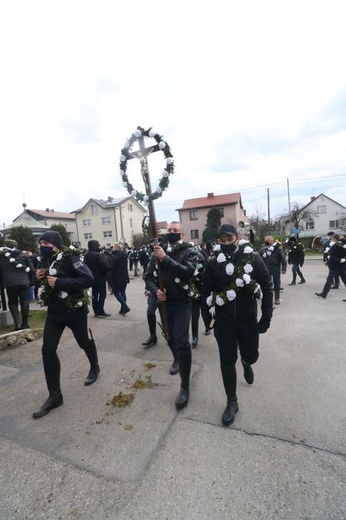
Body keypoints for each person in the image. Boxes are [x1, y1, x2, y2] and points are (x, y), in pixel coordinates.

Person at [203, 224, 273, 427]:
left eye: (229, 239)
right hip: (224, 321)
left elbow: (266, 286)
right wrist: (208, 318)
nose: (225, 243)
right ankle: (232, 401)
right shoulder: (213, 262)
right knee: (226, 359)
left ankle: (246, 361)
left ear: (237, 237)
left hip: (247, 318)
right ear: (218, 241)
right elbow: (206, 291)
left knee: (251, 354)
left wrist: (266, 316)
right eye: (221, 240)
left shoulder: (252, 257)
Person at [33, 231, 99, 419]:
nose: (42, 246)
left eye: (46, 242)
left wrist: (60, 282)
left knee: (84, 342)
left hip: (74, 312)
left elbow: (88, 279)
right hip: (54, 313)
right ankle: (55, 395)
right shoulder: (44, 261)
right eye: (40, 243)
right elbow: (40, 285)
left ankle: (94, 366)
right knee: (47, 350)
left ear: (55, 244)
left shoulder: (71, 257)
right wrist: (36, 278)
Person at [145, 221, 198, 409]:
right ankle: (177, 358)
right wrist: (155, 291)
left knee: (182, 340)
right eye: (170, 230)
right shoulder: (157, 252)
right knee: (169, 337)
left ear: (182, 234)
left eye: (176, 231)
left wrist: (166, 258)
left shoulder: (189, 252)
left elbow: (188, 272)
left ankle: (184, 385)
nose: (172, 233)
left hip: (183, 302)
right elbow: (148, 276)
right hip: (165, 303)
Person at [0, 239, 35, 331]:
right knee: (24, 302)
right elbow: (31, 269)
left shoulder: (1, 256)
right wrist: (30, 282)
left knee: (13, 303)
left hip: (10, 283)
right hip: (24, 282)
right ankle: (25, 323)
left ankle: (18, 324)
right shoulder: (23, 255)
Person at [83, 240, 111, 318]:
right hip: (100, 277)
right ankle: (100, 311)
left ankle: (96, 310)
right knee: (102, 294)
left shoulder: (86, 255)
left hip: (91, 277)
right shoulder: (98, 255)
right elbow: (105, 266)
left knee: (94, 294)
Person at [315, 234, 346, 299]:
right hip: (341, 266)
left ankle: (324, 294)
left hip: (334, 267)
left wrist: (327, 262)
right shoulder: (342, 245)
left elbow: (333, 258)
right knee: (344, 280)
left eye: (332, 239)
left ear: (335, 239)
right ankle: (324, 293)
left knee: (329, 280)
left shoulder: (334, 247)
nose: (331, 240)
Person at [259, 236, 287, 305]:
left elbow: (283, 259)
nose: (270, 242)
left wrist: (284, 268)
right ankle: (267, 298)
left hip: (276, 269)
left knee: (277, 284)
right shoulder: (263, 249)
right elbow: (259, 259)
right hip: (266, 269)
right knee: (267, 284)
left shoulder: (278, 249)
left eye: (271, 241)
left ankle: (277, 298)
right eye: (268, 241)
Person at [110, 242, 130, 315]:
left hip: (117, 276)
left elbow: (111, 267)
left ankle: (125, 305)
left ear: (116, 248)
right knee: (123, 292)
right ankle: (123, 309)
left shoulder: (114, 256)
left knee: (116, 292)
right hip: (124, 275)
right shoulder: (124, 255)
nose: (112, 248)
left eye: (113, 247)